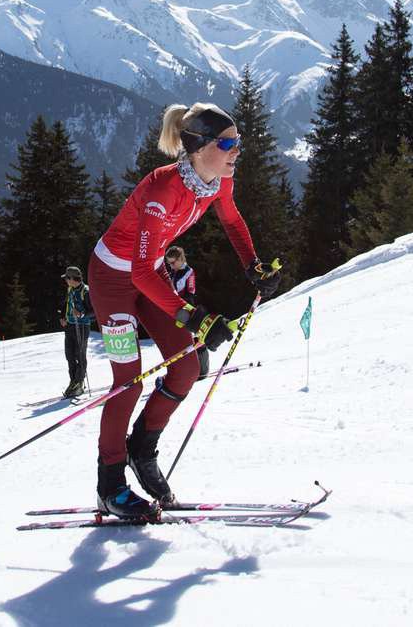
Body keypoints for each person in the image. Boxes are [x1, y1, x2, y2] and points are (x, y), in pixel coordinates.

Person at [86, 102, 282, 520]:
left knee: (188, 366)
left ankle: (142, 449)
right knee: (128, 381)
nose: (236, 151)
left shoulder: (217, 181)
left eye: (238, 142)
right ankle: (110, 483)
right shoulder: (162, 190)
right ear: (197, 148)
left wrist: (253, 266)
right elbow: (137, 272)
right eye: (227, 143)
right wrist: (193, 317)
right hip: (113, 281)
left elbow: (231, 221)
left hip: (149, 276)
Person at [163, 246, 209, 378]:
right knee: (176, 342)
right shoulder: (172, 272)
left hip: (186, 311)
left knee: (194, 339)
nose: (171, 266)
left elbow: (191, 293)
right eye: (168, 263)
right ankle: (181, 371)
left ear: (180, 259)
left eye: (172, 263)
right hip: (173, 311)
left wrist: (183, 308)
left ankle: (202, 371)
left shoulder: (189, 272)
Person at [59, 266, 95, 397]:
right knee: (69, 355)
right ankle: (73, 381)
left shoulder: (85, 292)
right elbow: (66, 304)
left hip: (82, 327)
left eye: (67, 278)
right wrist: (63, 317)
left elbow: (94, 312)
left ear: (73, 279)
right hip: (70, 326)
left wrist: (80, 314)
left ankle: (79, 382)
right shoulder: (70, 289)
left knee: (80, 355)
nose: (66, 281)